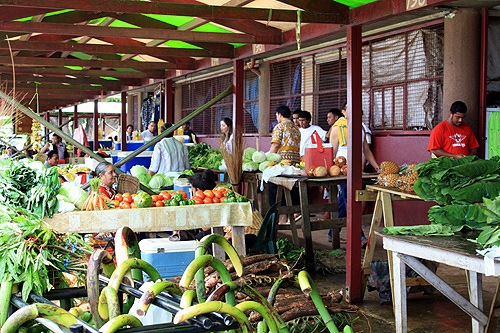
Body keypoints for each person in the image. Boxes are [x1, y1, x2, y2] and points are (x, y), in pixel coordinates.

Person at [329, 102, 380, 244]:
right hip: (342, 171)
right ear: (344, 112)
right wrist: (330, 171)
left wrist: (377, 168)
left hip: (356, 171)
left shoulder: (361, 129)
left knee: (343, 203)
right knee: (351, 202)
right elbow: (332, 151)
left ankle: (331, 231)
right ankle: (360, 236)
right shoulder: (337, 128)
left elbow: (366, 151)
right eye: (351, 111)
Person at [186, 169, 261, 249]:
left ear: (198, 190)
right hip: (256, 228)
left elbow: (205, 227)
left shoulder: (213, 199)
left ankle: (215, 261)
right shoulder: (220, 191)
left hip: (248, 233)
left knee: (207, 242)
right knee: (202, 236)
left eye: (192, 190)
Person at [269, 105, 301, 224]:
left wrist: (268, 160)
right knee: (291, 190)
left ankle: (281, 218)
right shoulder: (296, 128)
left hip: (282, 165)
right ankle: (289, 216)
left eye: (276, 115)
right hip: (295, 166)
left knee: (274, 187)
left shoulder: (279, 126)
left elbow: (275, 146)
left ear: (280, 115)